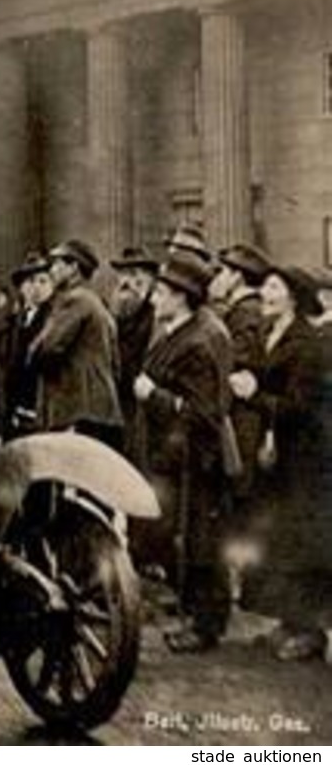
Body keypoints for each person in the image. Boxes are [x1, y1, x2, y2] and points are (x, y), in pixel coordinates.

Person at [131, 252, 233, 653]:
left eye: (161, 292)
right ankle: (196, 614)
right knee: (182, 539)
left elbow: (204, 413)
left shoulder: (202, 340)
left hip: (197, 462)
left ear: (182, 296)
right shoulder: (181, 328)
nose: (154, 299)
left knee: (202, 544)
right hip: (174, 458)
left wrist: (153, 395)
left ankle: (205, 625)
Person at [231, 264, 327, 661]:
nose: (264, 293)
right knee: (279, 543)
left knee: (303, 545)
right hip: (277, 458)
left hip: (304, 460)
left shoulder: (309, 343)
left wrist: (252, 394)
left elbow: (300, 408)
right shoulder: (273, 334)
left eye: (273, 287)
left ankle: (311, 631)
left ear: (292, 297)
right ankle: (288, 622)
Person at [28, 239, 124, 449]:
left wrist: (32, 353)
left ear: (73, 268)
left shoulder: (74, 301)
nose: (52, 270)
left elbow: (45, 349)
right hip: (97, 414)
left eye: (57, 263)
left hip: (76, 413)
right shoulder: (96, 303)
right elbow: (116, 367)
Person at [210, 242, 269, 500]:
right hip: (241, 412)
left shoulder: (246, 312)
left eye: (223, 271)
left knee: (239, 491)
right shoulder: (245, 310)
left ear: (237, 277)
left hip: (242, 415)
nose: (217, 278)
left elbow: (236, 361)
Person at [109, 246, 160, 462]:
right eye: (122, 274)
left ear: (148, 280)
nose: (125, 282)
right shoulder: (116, 313)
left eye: (133, 275)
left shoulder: (154, 314)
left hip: (144, 405)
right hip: (119, 400)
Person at [0, 252, 53, 437]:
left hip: (39, 403)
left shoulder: (54, 319)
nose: (36, 287)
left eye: (43, 281)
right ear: (21, 287)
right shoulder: (15, 321)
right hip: (16, 404)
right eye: (30, 281)